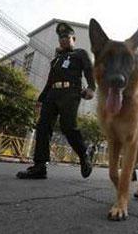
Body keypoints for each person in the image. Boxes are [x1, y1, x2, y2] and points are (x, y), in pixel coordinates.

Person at [17, 22, 95, 179]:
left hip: (71, 93)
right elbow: (49, 81)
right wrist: (40, 100)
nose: (63, 40)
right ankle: (39, 166)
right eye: (61, 38)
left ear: (73, 38)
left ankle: (84, 153)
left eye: (66, 37)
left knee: (68, 126)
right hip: (52, 94)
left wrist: (92, 87)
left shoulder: (80, 53)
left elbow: (88, 70)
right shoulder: (56, 60)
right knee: (43, 127)